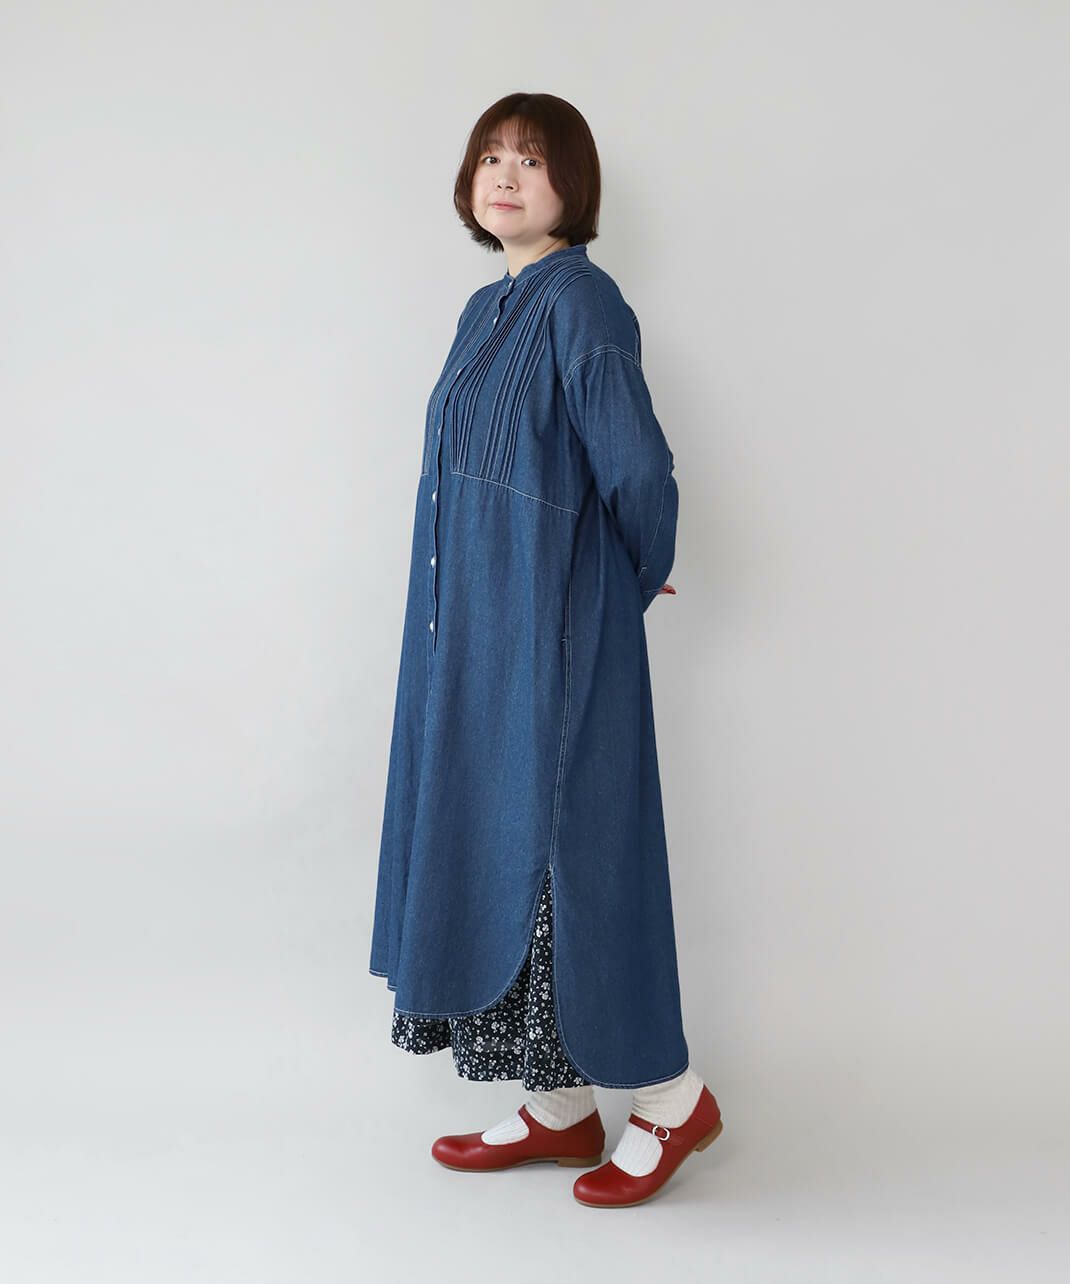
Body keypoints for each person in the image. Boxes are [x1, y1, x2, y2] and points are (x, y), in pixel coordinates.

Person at [368, 92, 723, 1207]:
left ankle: (670, 1097)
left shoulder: (583, 300)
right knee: (493, 843)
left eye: (530, 158)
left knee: (576, 855)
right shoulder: (486, 309)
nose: (505, 176)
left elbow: (637, 467)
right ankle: (561, 1109)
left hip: (557, 633)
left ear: (574, 183)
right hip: (472, 642)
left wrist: (621, 583)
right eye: (489, 157)